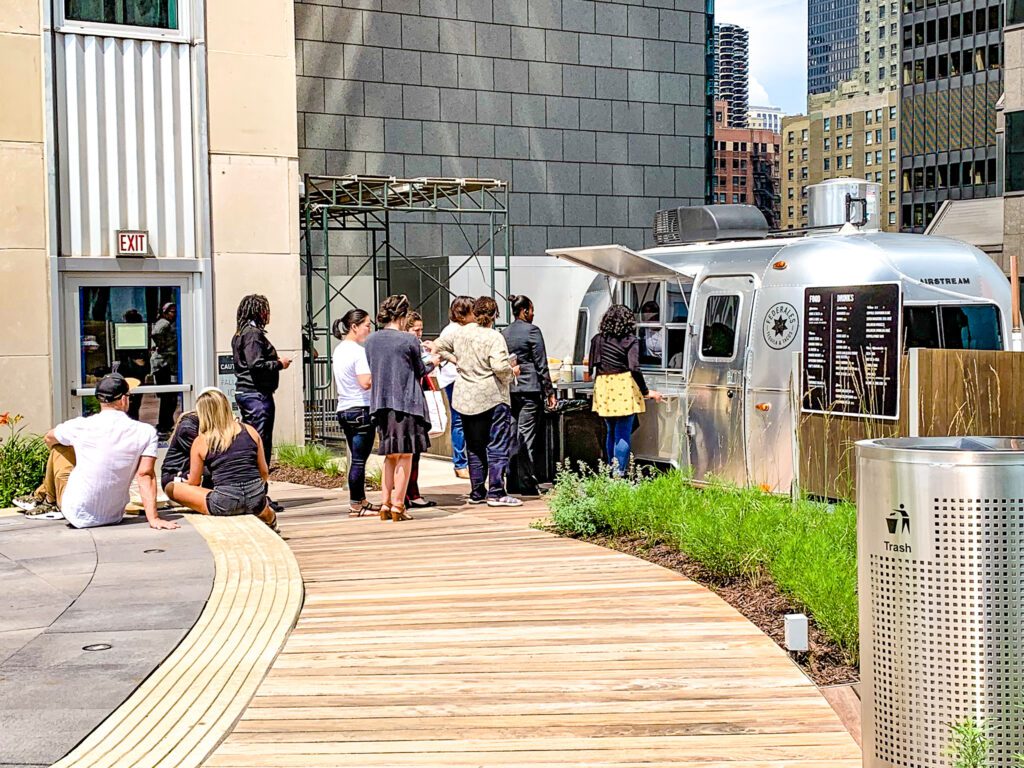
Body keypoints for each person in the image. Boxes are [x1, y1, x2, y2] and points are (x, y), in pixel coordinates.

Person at [13, 373, 179, 530]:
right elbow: (145, 475)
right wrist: (154, 519)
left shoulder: (80, 426)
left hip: (75, 513)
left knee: (59, 446)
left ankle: (47, 498)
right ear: (122, 400)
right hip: (113, 515)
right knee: (70, 445)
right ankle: (44, 496)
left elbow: (48, 438)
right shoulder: (145, 432)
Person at [430, 296, 521, 507]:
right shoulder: (494, 337)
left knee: (474, 446)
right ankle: (497, 492)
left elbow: (438, 346)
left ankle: (477, 491)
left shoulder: (460, 333)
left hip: (465, 398)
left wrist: (457, 361)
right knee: (497, 445)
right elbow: (499, 367)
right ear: (494, 315)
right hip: (492, 397)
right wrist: (511, 373)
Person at [364, 295, 437, 522]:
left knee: (389, 455)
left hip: (381, 404)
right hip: (406, 403)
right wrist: (435, 358)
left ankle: (385, 503)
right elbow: (420, 369)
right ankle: (398, 505)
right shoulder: (408, 340)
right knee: (405, 455)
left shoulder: (371, 340)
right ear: (403, 316)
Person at [165, 389, 278, 530]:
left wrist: (186, 481)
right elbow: (264, 472)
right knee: (254, 500)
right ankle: (267, 515)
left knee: (172, 488)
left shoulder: (201, 441)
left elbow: (194, 483)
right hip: (256, 497)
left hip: (225, 502)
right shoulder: (249, 430)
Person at [588, 305, 664, 476]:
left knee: (611, 431)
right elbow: (634, 368)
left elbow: (592, 365)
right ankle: (619, 474)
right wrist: (646, 391)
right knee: (623, 432)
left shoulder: (597, 339)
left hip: (603, 386)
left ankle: (610, 471)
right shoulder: (630, 340)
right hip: (622, 385)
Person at [232, 294, 291, 513]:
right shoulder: (253, 334)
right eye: (266, 309)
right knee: (261, 445)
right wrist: (279, 364)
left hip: (250, 394)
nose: (269, 314)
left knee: (256, 443)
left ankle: (257, 493)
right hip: (256, 396)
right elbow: (256, 364)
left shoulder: (241, 332)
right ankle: (260, 496)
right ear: (259, 311)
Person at [501, 295, 556, 496]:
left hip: (511, 389)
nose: (533, 314)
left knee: (512, 435)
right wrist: (549, 392)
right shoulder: (533, 331)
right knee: (527, 436)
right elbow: (541, 364)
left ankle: (512, 480)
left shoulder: (504, 332)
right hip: (530, 389)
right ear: (524, 310)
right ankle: (527, 482)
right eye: (532, 310)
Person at [331, 308, 380, 517]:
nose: (369, 329)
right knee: (359, 460)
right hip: (360, 407)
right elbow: (365, 382)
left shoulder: (339, 350)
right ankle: (355, 503)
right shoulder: (358, 352)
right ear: (354, 326)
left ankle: (361, 499)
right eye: (367, 325)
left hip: (344, 408)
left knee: (356, 457)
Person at [436, 296, 474, 479]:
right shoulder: (452, 331)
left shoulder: (463, 329)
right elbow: (438, 349)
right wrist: (455, 360)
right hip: (455, 379)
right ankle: (460, 463)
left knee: (464, 420)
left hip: (461, 378)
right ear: (463, 313)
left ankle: (464, 462)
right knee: (459, 420)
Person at [404, 311, 437, 509]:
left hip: (408, 401)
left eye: (421, 329)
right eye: (416, 329)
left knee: (406, 453)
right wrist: (433, 360)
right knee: (412, 452)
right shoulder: (409, 345)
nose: (419, 333)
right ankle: (411, 493)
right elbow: (420, 369)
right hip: (412, 402)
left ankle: (406, 493)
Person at [150, 302, 180, 438]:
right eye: (172, 312)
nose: (174, 315)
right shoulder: (164, 323)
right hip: (162, 364)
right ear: (165, 312)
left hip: (168, 364)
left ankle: (166, 423)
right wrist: (163, 345)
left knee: (170, 398)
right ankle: (164, 425)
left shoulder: (168, 323)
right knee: (168, 397)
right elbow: (155, 334)